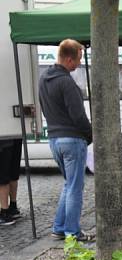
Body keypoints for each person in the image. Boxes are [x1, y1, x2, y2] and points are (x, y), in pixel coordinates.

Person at [38, 38, 93, 241]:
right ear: (69, 60)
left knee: (68, 184)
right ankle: (73, 232)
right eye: (78, 59)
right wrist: (90, 134)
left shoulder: (44, 79)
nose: (79, 63)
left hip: (54, 138)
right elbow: (78, 116)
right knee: (75, 187)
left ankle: (60, 227)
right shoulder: (67, 83)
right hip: (72, 139)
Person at [0, 139, 23, 227]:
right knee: (12, 174)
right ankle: (13, 208)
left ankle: (5, 212)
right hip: (15, 138)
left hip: (3, 141)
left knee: (3, 177)